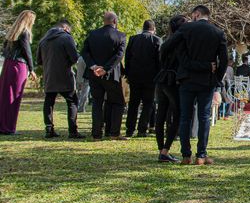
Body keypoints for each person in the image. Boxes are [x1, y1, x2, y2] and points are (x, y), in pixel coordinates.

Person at [161, 5, 227, 165]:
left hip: (187, 79)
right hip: (207, 80)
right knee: (204, 117)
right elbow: (224, 61)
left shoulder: (186, 29)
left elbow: (165, 47)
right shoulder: (218, 32)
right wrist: (216, 77)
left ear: (197, 14)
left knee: (185, 117)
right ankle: (201, 155)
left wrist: (178, 57)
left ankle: (186, 155)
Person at [81, 11, 128, 140]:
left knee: (97, 102)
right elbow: (119, 56)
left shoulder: (92, 34)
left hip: (94, 73)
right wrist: (106, 69)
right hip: (112, 74)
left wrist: (94, 66)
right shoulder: (121, 36)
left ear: (104, 21)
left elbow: (84, 52)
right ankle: (114, 132)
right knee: (117, 102)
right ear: (115, 21)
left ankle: (96, 134)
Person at [36, 19, 84, 139]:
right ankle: (73, 131)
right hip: (64, 75)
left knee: (49, 102)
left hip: (49, 76)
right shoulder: (67, 38)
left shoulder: (43, 40)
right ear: (66, 28)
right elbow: (74, 58)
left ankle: (49, 129)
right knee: (72, 101)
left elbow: (39, 61)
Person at [155, 15, 189, 163]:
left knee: (160, 115)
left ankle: (161, 149)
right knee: (178, 115)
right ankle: (165, 150)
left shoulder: (166, 42)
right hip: (172, 80)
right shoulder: (180, 42)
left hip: (161, 79)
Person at [0, 10, 37, 135]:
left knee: (5, 95)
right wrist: (32, 69)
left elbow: (5, 51)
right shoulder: (25, 33)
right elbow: (27, 52)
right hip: (18, 66)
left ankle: (3, 125)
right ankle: (9, 127)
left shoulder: (12, 33)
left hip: (8, 65)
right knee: (14, 96)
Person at [124, 20, 162, 138]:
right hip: (150, 77)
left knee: (133, 103)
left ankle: (130, 129)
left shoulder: (133, 39)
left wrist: (128, 73)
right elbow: (159, 61)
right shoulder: (157, 40)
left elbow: (128, 57)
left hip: (135, 76)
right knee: (148, 103)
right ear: (153, 28)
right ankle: (142, 129)